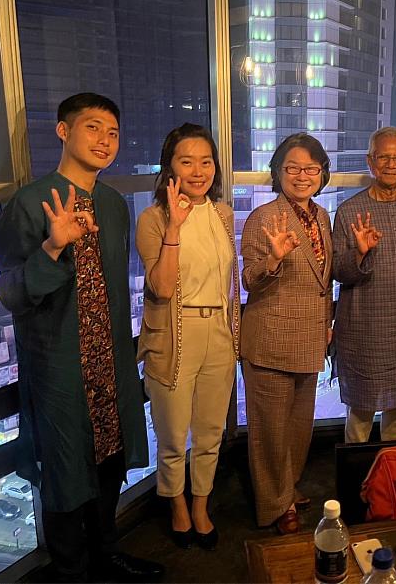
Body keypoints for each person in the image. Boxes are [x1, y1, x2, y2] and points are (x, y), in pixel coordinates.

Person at [0, 93, 163, 582]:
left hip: (108, 359)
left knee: (109, 462)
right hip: (59, 366)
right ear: (63, 132)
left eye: (112, 132)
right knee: (66, 475)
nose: (105, 141)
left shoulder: (111, 205)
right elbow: (9, 292)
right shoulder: (29, 203)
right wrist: (52, 245)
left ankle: (106, 553)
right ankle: (70, 570)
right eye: (92, 128)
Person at [136, 123, 239, 550]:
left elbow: (227, 279)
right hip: (175, 335)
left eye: (206, 161)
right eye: (186, 161)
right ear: (169, 166)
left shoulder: (222, 212)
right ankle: (176, 504)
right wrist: (175, 228)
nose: (198, 171)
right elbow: (160, 287)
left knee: (211, 430)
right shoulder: (153, 217)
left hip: (219, 330)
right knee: (175, 434)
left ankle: (201, 504)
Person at [240, 133, 333, 534]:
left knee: (298, 427)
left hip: (310, 338)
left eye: (311, 168)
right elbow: (248, 280)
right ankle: (275, 507)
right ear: (278, 172)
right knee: (270, 433)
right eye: (292, 167)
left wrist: (327, 324)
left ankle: (287, 489)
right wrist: (274, 258)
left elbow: (322, 282)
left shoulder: (323, 217)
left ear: (322, 173)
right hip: (270, 341)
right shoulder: (264, 217)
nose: (302, 175)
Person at [333, 126, 396, 443]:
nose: (391, 164)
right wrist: (360, 252)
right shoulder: (349, 210)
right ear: (370, 162)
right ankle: (356, 483)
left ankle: (391, 485)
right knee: (359, 419)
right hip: (364, 329)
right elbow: (337, 270)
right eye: (383, 157)